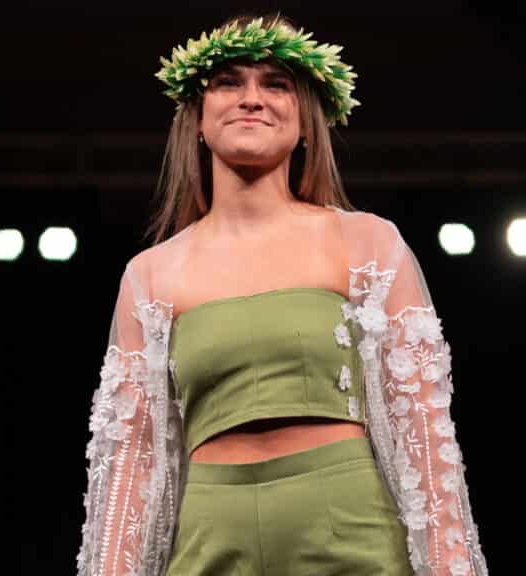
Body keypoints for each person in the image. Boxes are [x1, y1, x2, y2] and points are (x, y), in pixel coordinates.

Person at [77, 12, 488, 576]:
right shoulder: (151, 275)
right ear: (197, 118)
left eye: (275, 84)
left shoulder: (364, 243)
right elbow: (131, 465)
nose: (252, 98)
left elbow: (424, 431)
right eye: (229, 83)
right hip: (210, 540)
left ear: (307, 123)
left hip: (350, 533)